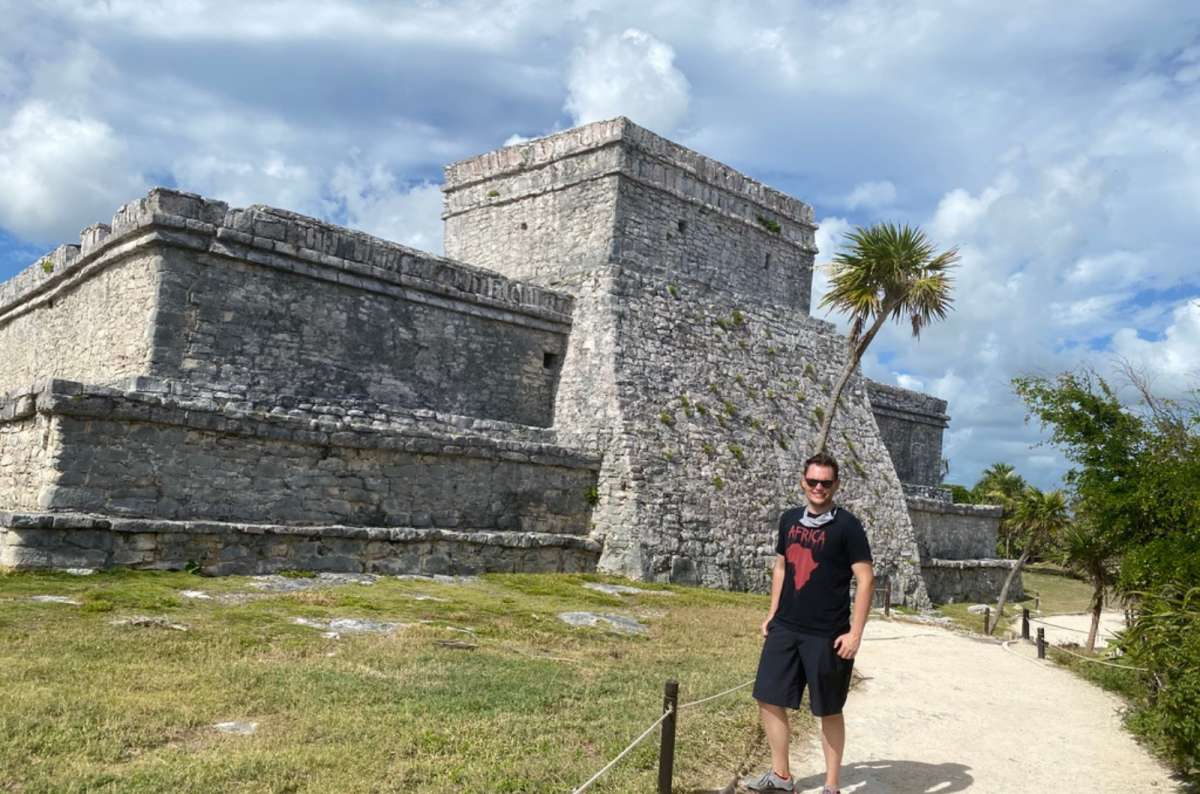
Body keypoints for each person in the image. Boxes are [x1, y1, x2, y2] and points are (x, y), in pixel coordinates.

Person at [745, 452, 875, 794]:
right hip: (786, 626)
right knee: (767, 696)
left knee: (828, 710)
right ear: (803, 482)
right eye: (813, 481)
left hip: (828, 634)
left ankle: (832, 786)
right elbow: (782, 567)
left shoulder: (847, 526)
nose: (819, 487)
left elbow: (865, 579)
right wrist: (772, 612)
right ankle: (781, 775)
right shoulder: (789, 520)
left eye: (826, 483)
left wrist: (855, 633)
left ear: (836, 485)